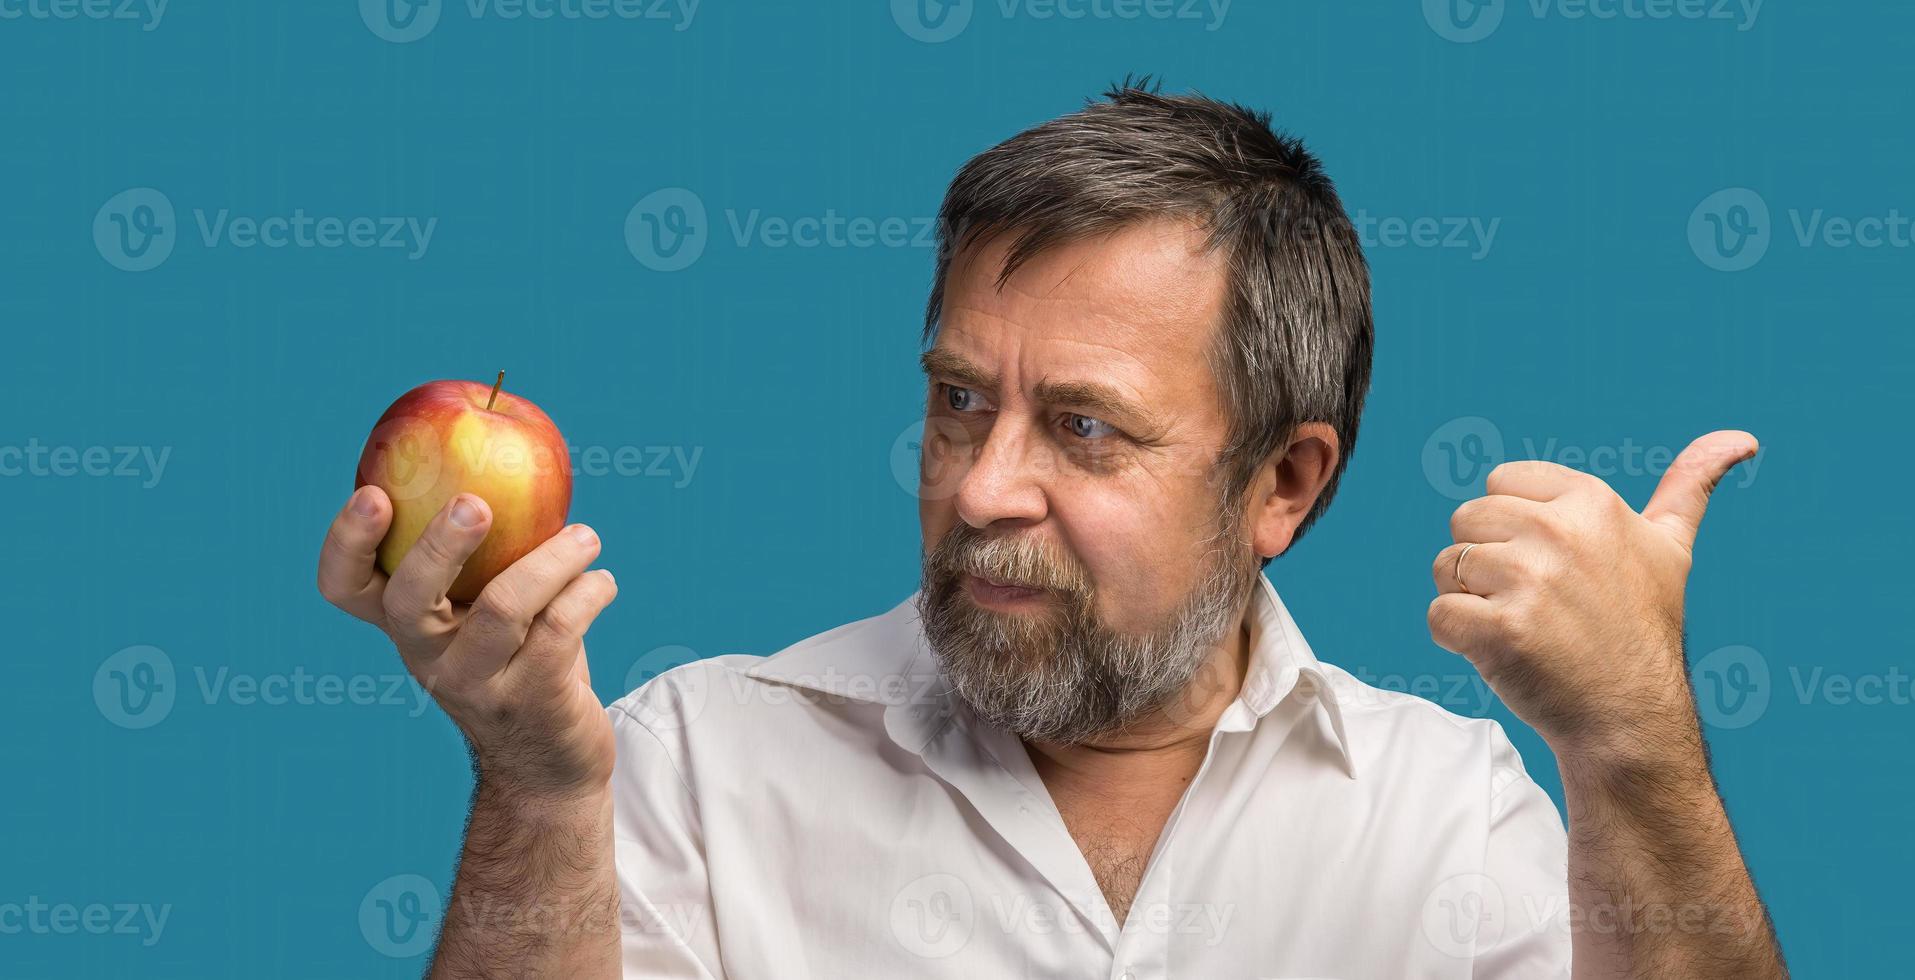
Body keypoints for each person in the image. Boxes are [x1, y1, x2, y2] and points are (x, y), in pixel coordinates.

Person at [318, 83, 1788, 978]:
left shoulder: (1447, 815)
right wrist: (535, 791)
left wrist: (1637, 753)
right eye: (962, 401)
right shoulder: (692, 770)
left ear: (1283, 486)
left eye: (1083, 427)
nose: (978, 487)